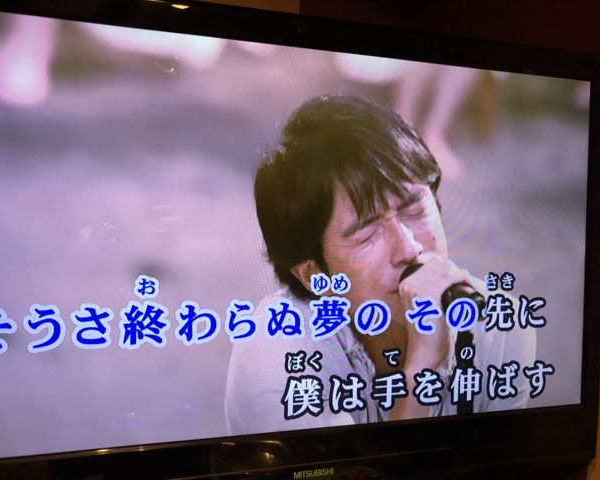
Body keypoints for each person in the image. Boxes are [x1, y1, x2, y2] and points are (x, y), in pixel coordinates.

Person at [224, 94, 535, 435]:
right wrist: (420, 372)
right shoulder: (277, 359)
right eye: (367, 233)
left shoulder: (499, 328)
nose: (408, 248)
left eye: (414, 208)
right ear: (315, 275)